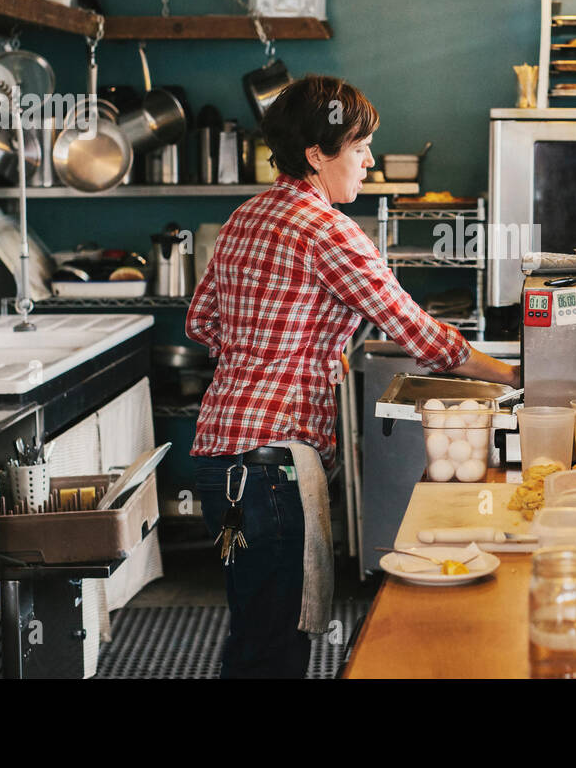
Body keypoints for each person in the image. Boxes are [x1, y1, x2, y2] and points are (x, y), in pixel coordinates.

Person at [185, 75, 518, 678]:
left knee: (254, 628)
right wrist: (515, 375)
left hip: (217, 459)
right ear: (318, 154)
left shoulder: (246, 215)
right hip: (271, 469)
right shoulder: (331, 231)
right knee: (274, 645)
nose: (368, 162)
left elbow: (201, 321)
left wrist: (269, 352)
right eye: (359, 147)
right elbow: (421, 334)